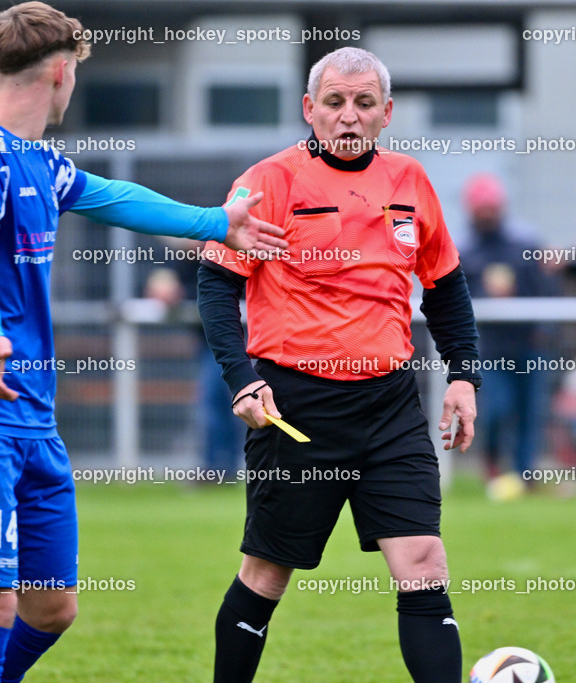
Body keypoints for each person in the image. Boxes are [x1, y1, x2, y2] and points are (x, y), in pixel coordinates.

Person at [0, 3, 286, 681]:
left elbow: (113, 196)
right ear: (61, 72)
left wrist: (215, 222)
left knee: (52, 608)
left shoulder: (39, 161)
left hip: (28, 411)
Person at [197, 47, 481, 682]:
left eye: (362, 104)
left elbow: (446, 287)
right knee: (266, 574)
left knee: (424, 563)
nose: (348, 117)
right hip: (296, 408)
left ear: (385, 113)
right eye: (334, 103)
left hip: (388, 406)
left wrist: (463, 375)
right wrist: (242, 379)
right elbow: (216, 285)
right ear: (310, 110)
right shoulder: (269, 180)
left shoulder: (410, 179)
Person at [459, 173, 553, 495]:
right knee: (496, 410)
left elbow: (548, 292)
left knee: (530, 414)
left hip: (529, 345)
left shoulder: (525, 247)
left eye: (491, 207)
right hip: (490, 348)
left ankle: (525, 477)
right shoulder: (465, 254)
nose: (487, 213)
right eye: (481, 208)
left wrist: (544, 329)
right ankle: (493, 464)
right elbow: (455, 301)